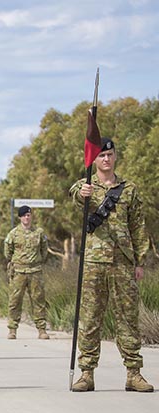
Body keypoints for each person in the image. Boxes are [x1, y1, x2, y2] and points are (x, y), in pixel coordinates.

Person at [69, 138, 153, 392]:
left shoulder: (129, 190)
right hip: (94, 263)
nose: (106, 159)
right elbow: (75, 197)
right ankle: (86, 373)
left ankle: (133, 373)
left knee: (128, 318)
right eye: (102, 155)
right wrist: (81, 194)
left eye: (110, 155)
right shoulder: (85, 187)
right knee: (90, 318)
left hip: (123, 263)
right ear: (94, 159)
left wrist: (140, 261)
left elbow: (138, 227)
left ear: (116, 157)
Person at [3, 206, 49, 340]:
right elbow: (8, 252)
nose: (27, 218)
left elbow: (44, 250)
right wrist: (15, 262)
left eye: (29, 215)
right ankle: (12, 330)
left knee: (38, 300)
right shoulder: (13, 234)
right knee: (15, 300)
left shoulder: (39, 232)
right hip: (18, 271)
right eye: (24, 215)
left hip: (35, 271)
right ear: (20, 217)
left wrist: (38, 261)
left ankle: (42, 329)